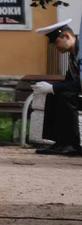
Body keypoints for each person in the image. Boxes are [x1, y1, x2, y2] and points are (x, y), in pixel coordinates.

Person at [34, 20, 81, 156]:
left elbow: (80, 82)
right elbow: (70, 81)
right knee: (55, 95)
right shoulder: (73, 55)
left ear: (66, 36)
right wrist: (50, 88)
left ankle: (73, 145)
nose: (55, 47)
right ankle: (60, 143)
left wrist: (53, 87)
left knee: (64, 95)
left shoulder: (80, 53)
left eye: (56, 42)